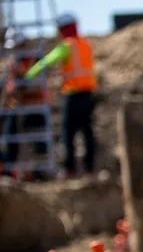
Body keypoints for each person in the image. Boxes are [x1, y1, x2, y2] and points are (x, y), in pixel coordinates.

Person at [25, 12, 97, 175]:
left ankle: (70, 168)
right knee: (87, 130)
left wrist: (28, 75)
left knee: (68, 132)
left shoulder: (67, 46)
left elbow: (47, 61)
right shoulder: (86, 45)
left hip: (74, 94)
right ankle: (89, 167)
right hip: (89, 94)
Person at [2, 27, 51, 177]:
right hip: (16, 106)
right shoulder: (14, 62)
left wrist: (22, 82)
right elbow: (10, 86)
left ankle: (41, 173)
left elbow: (36, 84)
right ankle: (10, 172)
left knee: (38, 141)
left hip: (35, 106)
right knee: (11, 139)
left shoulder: (35, 60)